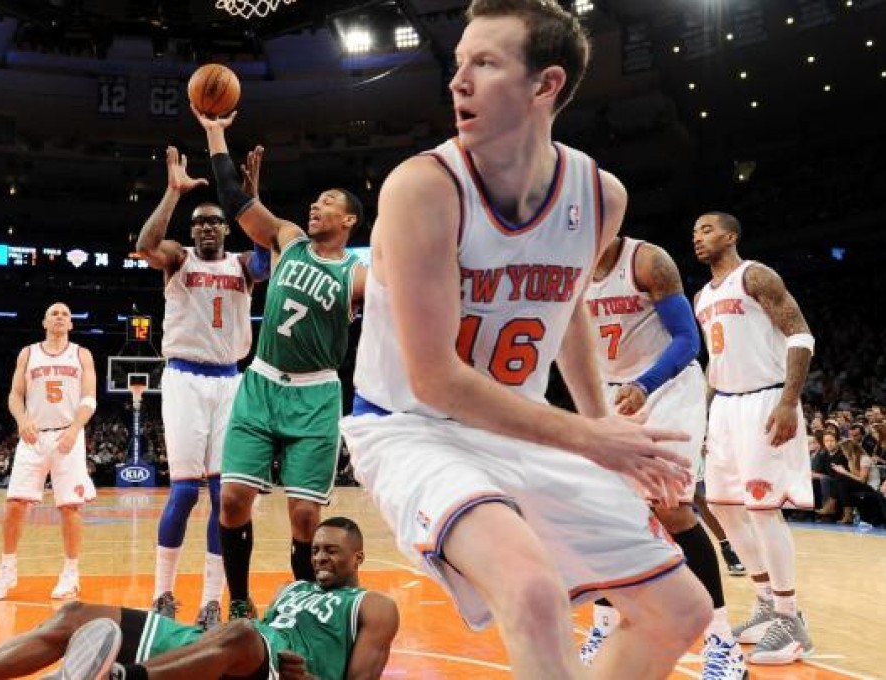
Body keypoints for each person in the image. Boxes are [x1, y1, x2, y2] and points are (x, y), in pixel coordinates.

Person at [340, 2, 712, 678]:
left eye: (485, 64)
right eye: (459, 64)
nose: (458, 82)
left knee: (681, 612)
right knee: (533, 591)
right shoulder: (422, 188)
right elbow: (435, 379)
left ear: (546, 85)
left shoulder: (600, 196)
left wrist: (602, 430)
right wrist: (591, 437)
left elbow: (566, 307)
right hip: (412, 428)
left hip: (521, 430)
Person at [189, 109, 367, 620]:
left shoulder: (357, 275)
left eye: (328, 203)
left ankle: (307, 613)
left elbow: (403, 309)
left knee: (306, 517)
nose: (316, 206)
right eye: (315, 201)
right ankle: (241, 602)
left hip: (315, 395)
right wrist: (215, 131)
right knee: (231, 502)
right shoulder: (288, 239)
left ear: (349, 220)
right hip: (263, 382)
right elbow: (236, 201)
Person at [0, 517, 399, 680]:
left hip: (272, 666)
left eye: (333, 552)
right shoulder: (292, 589)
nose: (321, 558)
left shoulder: (374, 605)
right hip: (234, 647)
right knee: (77, 614)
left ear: (359, 558)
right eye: (317, 551)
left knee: (239, 631)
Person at [581, 235, 746, 677]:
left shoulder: (648, 261)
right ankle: (603, 625)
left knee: (672, 509)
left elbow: (688, 340)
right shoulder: (569, 267)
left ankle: (723, 643)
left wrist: (644, 385)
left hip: (667, 386)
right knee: (605, 512)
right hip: (610, 391)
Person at [135, 145, 270, 629]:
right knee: (184, 493)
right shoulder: (178, 258)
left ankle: (213, 598)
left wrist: (253, 201)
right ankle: (163, 593)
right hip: (186, 380)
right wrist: (172, 194)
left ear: (227, 228)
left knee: (224, 495)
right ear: (191, 231)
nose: (207, 227)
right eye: (200, 222)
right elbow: (148, 245)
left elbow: (269, 260)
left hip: (231, 381)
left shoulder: (243, 265)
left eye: (215, 221)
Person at [693, 210, 815, 664]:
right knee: (724, 507)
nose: (698, 238)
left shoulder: (755, 276)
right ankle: (766, 603)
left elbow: (800, 334)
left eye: (706, 229)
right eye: (694, 232)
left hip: (765, 400)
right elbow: (715, 361)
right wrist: (702, 416)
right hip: (724, 406)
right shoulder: (701, 296)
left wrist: (788, 401)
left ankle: (790, 617)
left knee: (763, 511)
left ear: (731, 235)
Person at [0, 302, 97, 601]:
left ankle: (71, 573)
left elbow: (89, 398)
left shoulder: (81, 354)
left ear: (71, 324)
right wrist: (21, 421)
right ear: (44, 322)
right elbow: (15, 395)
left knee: (70, 507)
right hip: (34, 437)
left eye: (65, 314)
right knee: (15, 505)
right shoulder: (28, 353)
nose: (60, 317)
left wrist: (75, 429)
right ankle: (7, 570)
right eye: (54, 313)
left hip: (67, 436)